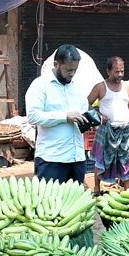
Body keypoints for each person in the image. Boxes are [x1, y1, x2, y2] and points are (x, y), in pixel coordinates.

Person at [26, 44, 89, 184]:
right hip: (52, 158)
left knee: (76, 203)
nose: (72, 73)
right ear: (56, 64)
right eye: (68, 69)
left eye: (75, 70)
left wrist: (89, 122)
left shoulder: (77, 88)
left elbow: (82, 113)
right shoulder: (40, 85)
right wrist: (65, 116)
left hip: (77, 157)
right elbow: (33, 116)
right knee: (50, 202)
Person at [87, 57, 129, 194]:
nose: (120, 75)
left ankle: (127, 190)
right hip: (106, 129)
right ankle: (96, 188)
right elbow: (87, 103)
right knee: (101, 159)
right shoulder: (100, 87)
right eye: (116, 72)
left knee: (126, 159)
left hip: (125, 129)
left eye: (122, 71)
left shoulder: (128, 87)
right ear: (108, 71)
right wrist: (98, 115)